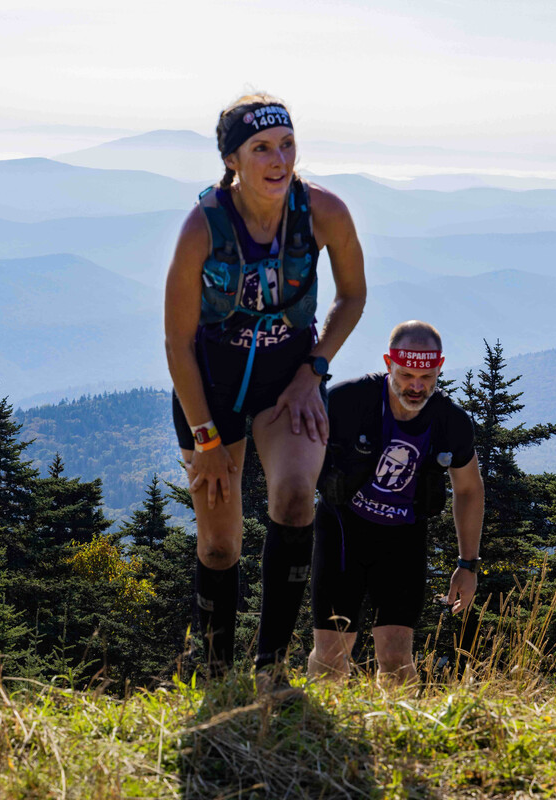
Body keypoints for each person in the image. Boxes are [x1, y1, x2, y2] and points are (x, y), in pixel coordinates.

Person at [164, 93, 366, 682]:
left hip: (289, 384)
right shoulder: (203, 227)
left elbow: (352, 296)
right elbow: (177, 344)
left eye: (287, 145)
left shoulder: (324, 212)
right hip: (211, 389)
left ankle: (270, 670)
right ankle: (217, 675)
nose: (279, 160)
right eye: (261, 149)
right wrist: (205, 439)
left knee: (297, 497)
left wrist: (315, 370)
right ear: (233, 160)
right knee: (220, 546)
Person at [308, 320, 484, 684]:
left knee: (396, 653)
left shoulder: (452, 422)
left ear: (440, 367)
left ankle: (397, 732)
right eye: (406, 375)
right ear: (388, 363)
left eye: (426, 376)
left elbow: (468, 489)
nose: (416, 386)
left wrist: (468, 564)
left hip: (403, 538)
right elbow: (295, 450)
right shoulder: (346, 402)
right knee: (330, 652)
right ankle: (316, 733)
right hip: (342, 530)